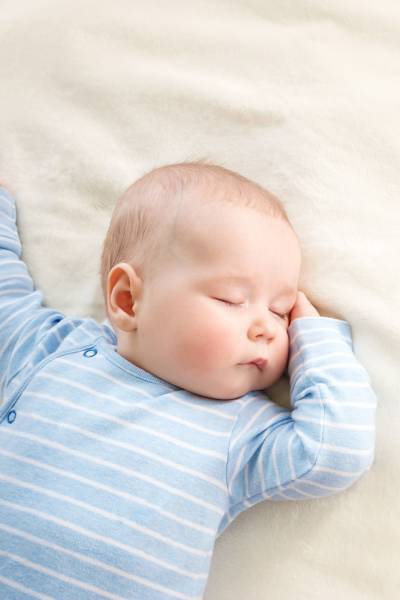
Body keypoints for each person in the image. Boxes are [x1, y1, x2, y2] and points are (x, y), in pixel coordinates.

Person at [0, 161, 377, 600]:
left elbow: (338, 451)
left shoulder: (242, 432)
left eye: (280, 311)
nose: (267, 328)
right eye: (231, 299)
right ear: (128, 300)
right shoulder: (50, 350)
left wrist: (313, 336)